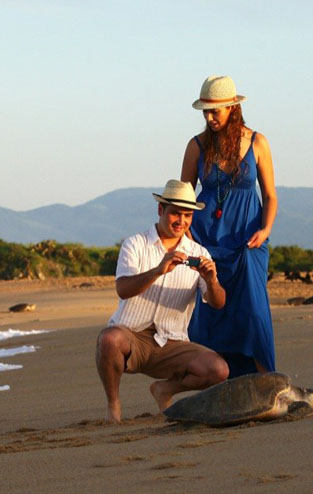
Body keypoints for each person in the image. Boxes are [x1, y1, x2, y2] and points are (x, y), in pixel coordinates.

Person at [96, 180, 229, 423]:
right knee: (108, 339)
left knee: (219, 370)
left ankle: (164, 390)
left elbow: (218, 302)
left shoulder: (199, 253)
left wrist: (211, 281)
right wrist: (158, 270)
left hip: (172, 341)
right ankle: (113, 403)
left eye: (187, 215)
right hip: (131, 335)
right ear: (161, 211)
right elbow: (123, 289)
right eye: (175, 213)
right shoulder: (135, 244)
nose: (181, 221)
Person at [181, 75, 278, 377]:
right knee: (210, 313)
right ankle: (216, 378)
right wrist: (187, 237)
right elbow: (183, 198)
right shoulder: (197, 146)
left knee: (253, 310)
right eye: (205, 112)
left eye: (215, 111)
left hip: (248, 240)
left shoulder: (257, 142)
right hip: (206, 240)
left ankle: (267, 378)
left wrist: (265, 230)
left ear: (232, 108)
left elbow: (271, 195)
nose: (209, 118)